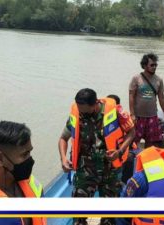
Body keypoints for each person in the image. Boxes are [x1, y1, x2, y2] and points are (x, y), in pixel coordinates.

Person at [58, 88, 135, 225]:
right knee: (78, 213)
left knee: (110, 216)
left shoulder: (115, 113)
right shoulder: (77, 114)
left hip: (110, 171)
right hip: (85, 171)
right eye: (80, 110)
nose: (82, 114)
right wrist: (63, 158)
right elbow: (63, 138)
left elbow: (131, 132)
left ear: (95, 104)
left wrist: (120, 151)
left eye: (85, 111)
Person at [129, 53, 164, 148]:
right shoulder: (136, 78)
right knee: (134, 141)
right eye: (152, 65)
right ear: (144, 65)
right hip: (138, 116)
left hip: (152, 116)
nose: (154, 67)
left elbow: (161, 98)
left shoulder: (159, 80)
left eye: (156, 65)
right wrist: (132, 114)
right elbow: (131, 96)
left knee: (152, 143)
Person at [107, 94, 139, 184]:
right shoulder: (104, 117)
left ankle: (126, 182)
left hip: (127, 147)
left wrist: (121, 150)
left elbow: (131, 135)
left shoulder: (123, 116)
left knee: (129, 158)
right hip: (111, 147)